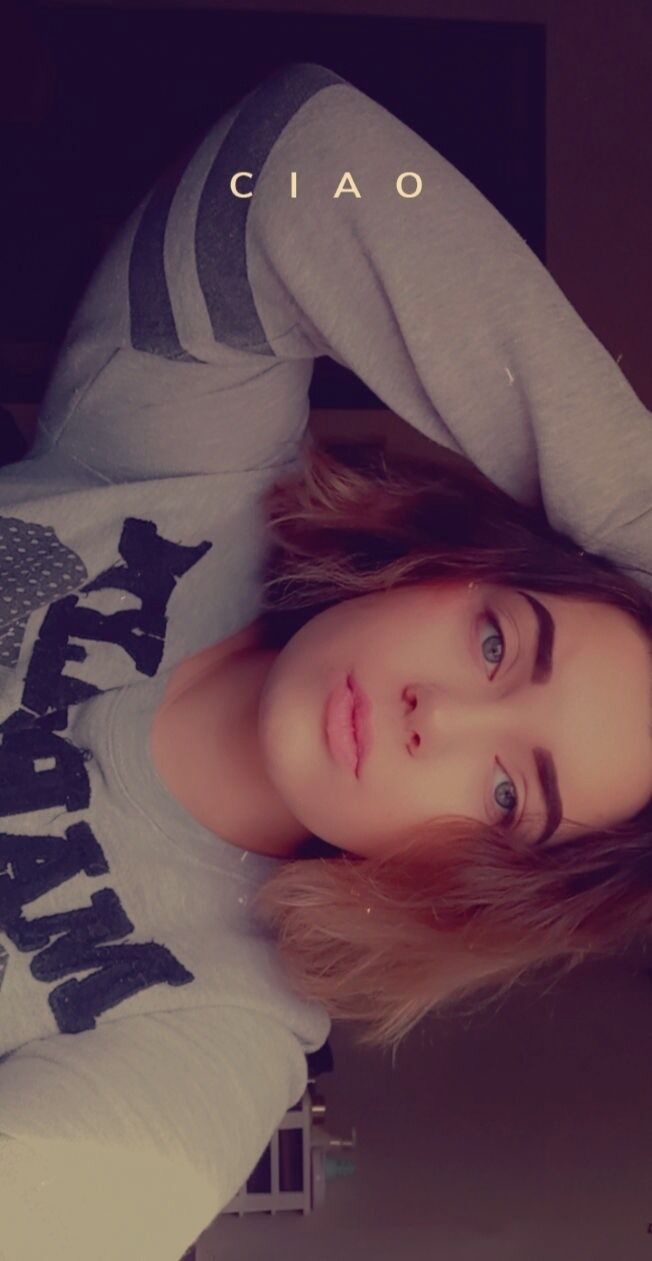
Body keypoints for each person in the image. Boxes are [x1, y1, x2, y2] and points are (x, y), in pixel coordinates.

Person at [1, 60, 650, 1260]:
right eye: (498, 642)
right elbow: (296, 158)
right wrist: (636, 512)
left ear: (471, 882)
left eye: (506, 792)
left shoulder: (215, 1027)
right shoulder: (190, 472)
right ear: (448, 568)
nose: (435, 717)